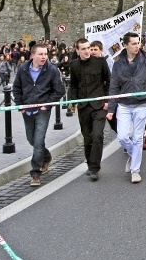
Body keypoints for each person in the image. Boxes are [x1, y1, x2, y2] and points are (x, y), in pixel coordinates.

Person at [108, 32, 146, 184]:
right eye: (134, 43)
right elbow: (114, 86)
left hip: (142, 104)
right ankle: (133, 155)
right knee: (123, 136)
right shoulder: (118, 63)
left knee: (138, 139)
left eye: (138, 43)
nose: (137, 46)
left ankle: (135, 170)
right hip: (123, 104)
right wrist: (111, 108)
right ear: (126, 45)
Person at [12, 44, 65, 187]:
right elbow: (16, 88)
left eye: (45, 54)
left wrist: (46, 105)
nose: (44, 57)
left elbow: (59, 91)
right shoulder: (23, 69)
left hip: (42, 110)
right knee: (32, 140)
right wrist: (20, 106)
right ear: (32, 55)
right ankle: (46, 156)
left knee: (39, 139)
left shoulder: (51, 70)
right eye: (40, 54)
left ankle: (35, 173)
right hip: (27, 110)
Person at [68, 38, 111, 181]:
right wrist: (72, 102)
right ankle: (89, 163)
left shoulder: (100, 62)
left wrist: (107, 100)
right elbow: (73, 85)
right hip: (83, 106)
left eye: (88, 48)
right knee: (87, 137)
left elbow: (109, 81)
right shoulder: (74, 65)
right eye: (84, 49)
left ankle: (95, 168)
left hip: (99, 105)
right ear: (78, 50)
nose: (87, 51)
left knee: (97, 135)